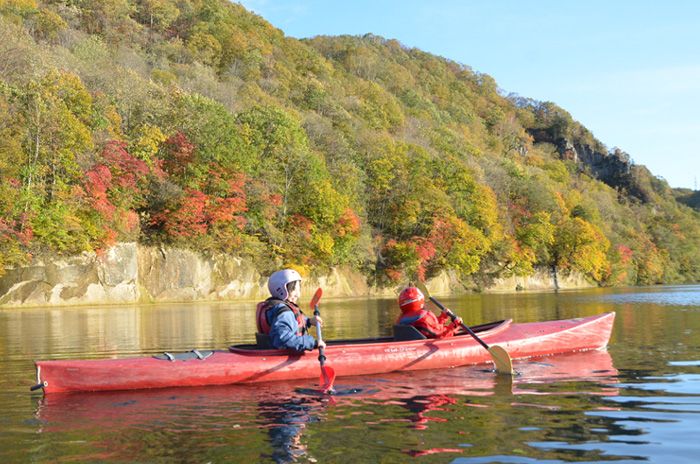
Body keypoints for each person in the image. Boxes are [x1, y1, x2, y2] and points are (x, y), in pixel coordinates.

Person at [256, 269, 325, 351]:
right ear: (281, 290)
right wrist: (313, 343)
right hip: (280, 354)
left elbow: (292, 321)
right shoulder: (284, 312)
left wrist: (308, 321)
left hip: (269, 351)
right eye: (294, 290)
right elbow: (282, 339)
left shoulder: (274, 307)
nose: (298, 295)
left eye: (298, 289)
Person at [396, 286, 463, 339]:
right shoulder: (424, 318)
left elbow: (434, 327)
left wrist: (443, 317)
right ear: (420, 300)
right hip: (429, 342)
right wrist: (454, 325)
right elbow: (440, 335)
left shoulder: (401, 319)